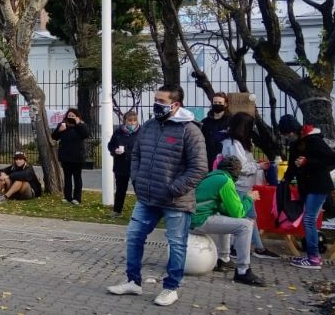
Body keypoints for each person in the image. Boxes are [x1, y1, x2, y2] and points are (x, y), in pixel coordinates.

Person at [107, 84, 207, 307]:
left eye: (161, 101)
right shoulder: (150, 126)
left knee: (176, 243)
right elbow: (137, 156)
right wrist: (138, 181)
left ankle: (171, 288)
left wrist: (174, 189)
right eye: (156, 100)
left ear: (176, 104)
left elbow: (199, 168)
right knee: (134, 236)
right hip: (147, 198)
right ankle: (133, 281)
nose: (156, 105)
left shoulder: (189, 131)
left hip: (176, 201)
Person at [191, 156, 267, 286]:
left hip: (190, 219)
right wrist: (249, 198)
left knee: (228, 219)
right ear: (236, 173)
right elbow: (238, 212)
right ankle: (243, 271)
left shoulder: (212, 176)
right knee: (246, 225)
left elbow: (224, 209)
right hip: (198, 221)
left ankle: (224, 258)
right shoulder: (226, 181)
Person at [279, 114, 335, 269]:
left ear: (292, 131)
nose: (287, 137)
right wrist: (285, 179)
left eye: (287, 134)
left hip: (318, 185)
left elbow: (333, 159)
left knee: (309, 220)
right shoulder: (295, 145)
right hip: (308, 186)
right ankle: (312, 256)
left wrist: (308, 162)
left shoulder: (313, 140)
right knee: (309, 220)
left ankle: (314, 258)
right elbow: (292, 165)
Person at [220, 112, 280, 259]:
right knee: (243, 217)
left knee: (249, 217)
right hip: (238, 185)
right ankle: (244, 248)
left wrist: (256, 164)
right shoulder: (234, 144)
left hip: (244, 185)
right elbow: (241, 167)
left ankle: (253, 247)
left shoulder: (237, 143)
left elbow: (244, 164)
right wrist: (259, 167)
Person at [51, 108, 90, 205]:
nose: (71, 118)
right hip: (66, 156)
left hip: (77, 157)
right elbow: (54, 136)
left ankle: (77, 198)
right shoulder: (63, 125)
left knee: (77, 178)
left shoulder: (81, 125)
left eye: (73, 116)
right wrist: (59, 130)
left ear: (77, 117)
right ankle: (67, 197)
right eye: (69, 116)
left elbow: (85, 134)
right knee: (67, 178)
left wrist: (78, 124)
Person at [107, 111, 140, 217]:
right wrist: (115, 151)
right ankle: (117, 210)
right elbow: (110, 145)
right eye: (130, 120)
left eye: (134, 120)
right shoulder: (118, 132)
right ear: (125, 121)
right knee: (120, 189)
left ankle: (144, 212)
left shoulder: (142, 132)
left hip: (137, 166)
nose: (132, 123)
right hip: (121, 164)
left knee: (139, 189)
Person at [201, 92, 231, 165]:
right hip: (207, 158)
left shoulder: (231, 121)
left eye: (220, 102)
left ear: (226, 104)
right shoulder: (205, 122)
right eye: (215, 102)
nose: (217, 104)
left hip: (225, 159)